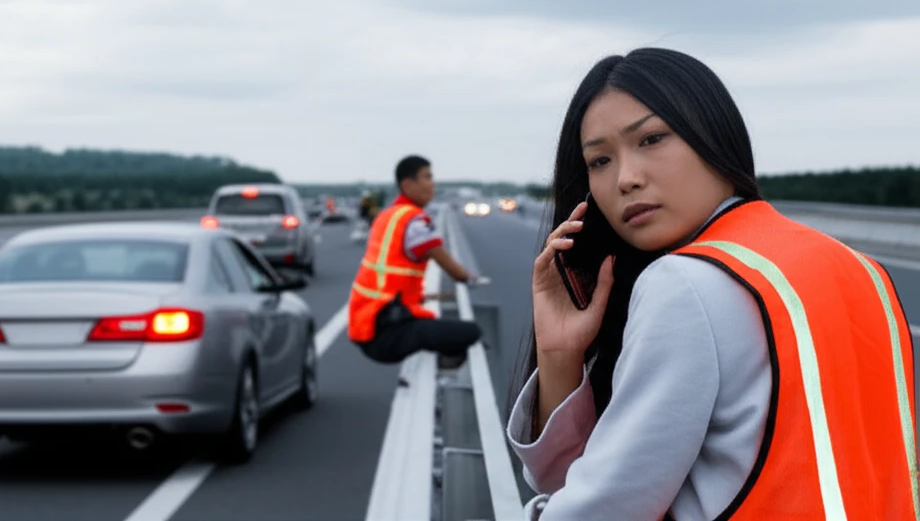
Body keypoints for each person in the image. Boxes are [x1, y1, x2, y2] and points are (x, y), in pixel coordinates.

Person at [505, 48, 917, 520]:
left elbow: (600, 507)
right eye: (599, 161)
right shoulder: (863, 269)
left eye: (652, 138)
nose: (626, 179)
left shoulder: (686, 283)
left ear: (714, 134)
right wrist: (561, 354)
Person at [348, 155, 487, 366]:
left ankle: (444, 361)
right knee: (472, 332)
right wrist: (472, 279)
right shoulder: (415, 222)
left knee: (438, 328)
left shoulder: (387, 215)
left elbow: (388, 277)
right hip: (385, 331)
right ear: (407, 184)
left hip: (366, 325)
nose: (432, 184)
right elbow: (453, 269)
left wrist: (426, 296)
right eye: (427, 177)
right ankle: (446, 365)